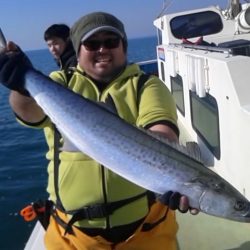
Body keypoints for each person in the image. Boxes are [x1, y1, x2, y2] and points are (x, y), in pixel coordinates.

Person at [0, 12, 198, 250]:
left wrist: (172, 178)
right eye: (92, 44)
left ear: (124, 47)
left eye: (111, 42)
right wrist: (21, 85)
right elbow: (30, 113)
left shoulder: (146, 85)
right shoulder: (60, 82)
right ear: (78, 50)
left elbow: (162, 132)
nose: (102, 49)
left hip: (146, 231)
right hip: (72, 235)